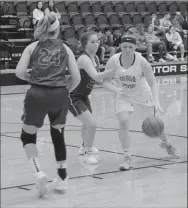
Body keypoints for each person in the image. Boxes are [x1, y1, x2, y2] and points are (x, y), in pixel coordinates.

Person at [15, 14, 81, 197]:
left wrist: (33, 78)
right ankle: (62, 178)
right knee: (58, 135)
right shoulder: (65, 48)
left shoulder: (32, 47)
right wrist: (64, 90)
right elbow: (77, 78)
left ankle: (38, 172)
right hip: (59, 94)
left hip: (36, 94)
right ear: (58, 29)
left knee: (27, 136)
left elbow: (19, 72)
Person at [102, 35, 179, 171]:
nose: (127, 49)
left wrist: (157, 102)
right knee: (123, 122)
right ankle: (127, 157)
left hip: (142, 95)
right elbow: (105, 82)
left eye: (130, 47)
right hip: (123, 95)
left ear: (135, 48)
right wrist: (115, 89)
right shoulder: (113, 61)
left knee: (156, 124)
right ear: (120, 46)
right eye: (124, 46)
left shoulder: (142, 62)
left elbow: (153, 83)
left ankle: (166, 143)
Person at [68, 30, 115, 165]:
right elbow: (96, 76)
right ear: (85, 44)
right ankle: (88, 153)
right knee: (92, 124)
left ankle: (83, 147)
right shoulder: (84, 59)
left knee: (87, 124)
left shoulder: (94, 58)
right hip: (72, 96)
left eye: (97, 41)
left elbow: (99, 80)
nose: (96, 44)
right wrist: (113, 69)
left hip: (83, 96)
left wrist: (115, 82)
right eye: (92, 42)